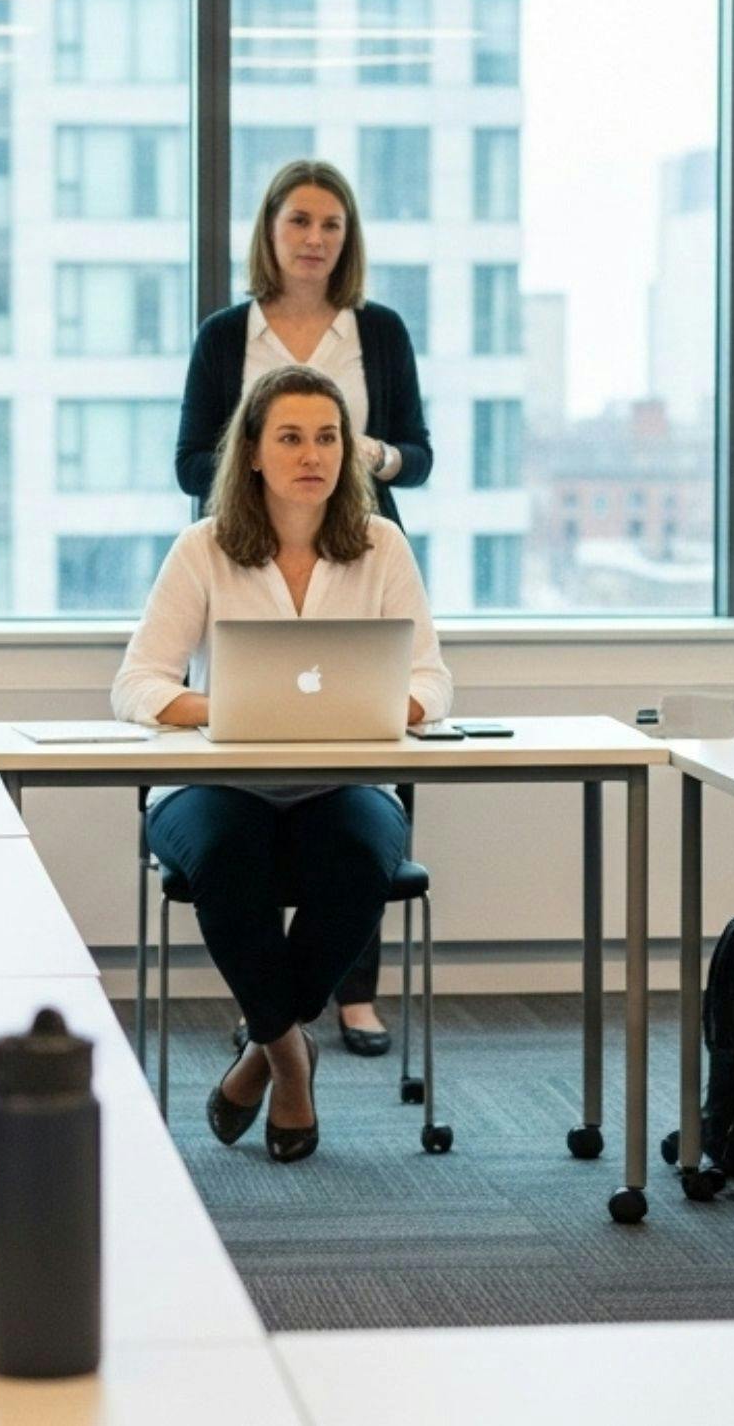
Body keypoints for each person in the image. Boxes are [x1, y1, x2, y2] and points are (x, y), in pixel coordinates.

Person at [116, 365, 451, 1161]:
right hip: (215, 784)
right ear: (255, 454)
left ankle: (260, 1048)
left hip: (336, 784)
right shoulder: (203, 548)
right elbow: (137, 684)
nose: (314, 454)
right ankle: (289, 1059)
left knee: (364, 856)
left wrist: (376, 707)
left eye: (329, 437)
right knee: (231, 854)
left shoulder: (381, 545)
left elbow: (431, 681)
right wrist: (235, 713)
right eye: (291, 437)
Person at [174, 159, 431, 1056]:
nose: (316, 239)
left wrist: (361, 458)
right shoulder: (225, 336)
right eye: (300, 222)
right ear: (271, 232)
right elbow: (186, 466)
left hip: (353, 544)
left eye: (332, 225)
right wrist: (270, 479)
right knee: (239, 836)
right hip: (247, 544)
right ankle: (281, 1035)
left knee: (361, 796)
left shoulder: (380, 331)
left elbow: (420, 455)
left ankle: (340, 998)